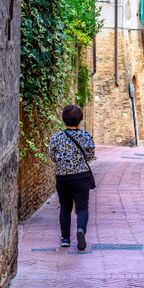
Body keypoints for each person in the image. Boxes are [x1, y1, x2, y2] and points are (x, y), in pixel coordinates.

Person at [48, 105, 95, 251]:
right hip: (81, 177)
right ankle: (81, 230)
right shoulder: (85, 136)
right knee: (82, 207)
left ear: (64, 120)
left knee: (65, 208)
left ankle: (65, 239)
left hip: (62, 178)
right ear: (80, 120)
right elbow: (90, 156)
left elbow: (53, 157)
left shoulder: (56, 137)